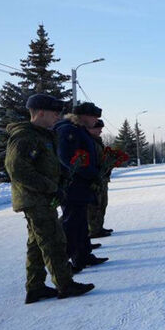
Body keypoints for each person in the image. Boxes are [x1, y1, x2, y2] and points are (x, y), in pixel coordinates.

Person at [4, 93, 94, 303]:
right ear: (41, 112)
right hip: (35, 199)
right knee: (54, 240)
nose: (58, 116)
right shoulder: (24, 136)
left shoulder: (43, 134)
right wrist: (50, 187)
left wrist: (63, 172)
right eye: (55, 112)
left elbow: (48, 162)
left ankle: (35, 287)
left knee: (37, 243)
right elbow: (16, 169)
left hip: (42, 198)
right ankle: (65, 284)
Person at [55, 102, 108, 271]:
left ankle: (83, 255)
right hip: (72, 185)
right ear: (84, 116)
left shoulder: (79, 130)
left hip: (80, 184)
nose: (96, 121)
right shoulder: (69, 130)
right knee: (72, 225)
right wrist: (90, 173)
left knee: (81, 222)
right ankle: (63, 264)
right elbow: (67, 158)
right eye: (94, 117)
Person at [86, 119, 112, 239]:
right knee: (93, 206)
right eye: (98, 128)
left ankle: (98, 227)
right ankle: (93, 229)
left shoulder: (97, 141)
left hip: (102, 177)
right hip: (94, 178)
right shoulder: (88, 141)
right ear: (90, 128)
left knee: (102, 203)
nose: (101, 131)